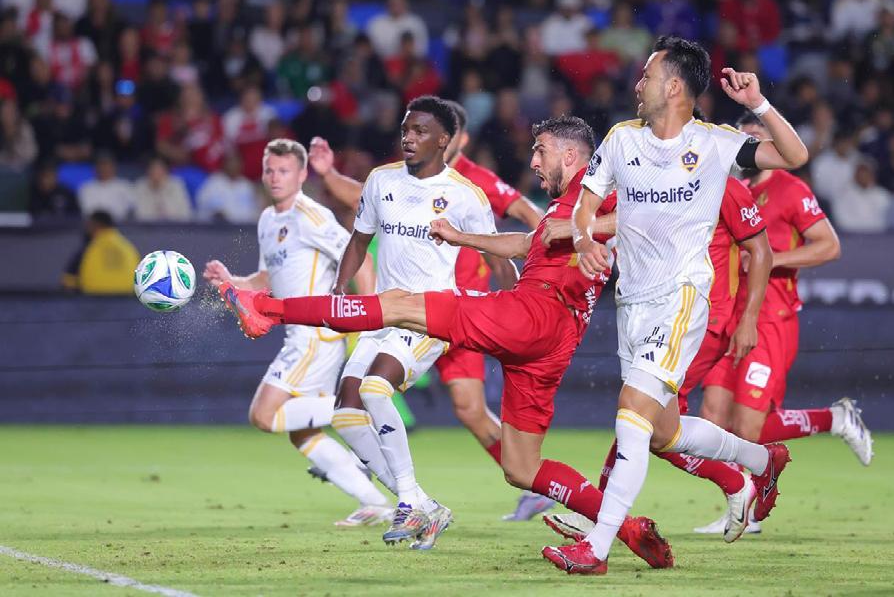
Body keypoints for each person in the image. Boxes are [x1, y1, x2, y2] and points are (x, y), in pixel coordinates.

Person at [217, 114, 677, 571]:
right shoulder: (565, 205)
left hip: (532, 314)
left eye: (541, 151)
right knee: (520, 467)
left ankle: (268, 308)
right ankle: (628, 530)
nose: (533, 161)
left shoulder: (593, 194)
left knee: (398, 304)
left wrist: (587, 231)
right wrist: (462, 237)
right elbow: (525, 244)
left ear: (570, 154)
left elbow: (654, 214)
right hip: (552, 344)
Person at [551, 35, 811, 574]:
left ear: (673, 86)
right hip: (632, 302)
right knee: (665, 432)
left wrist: (758, 103)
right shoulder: (622, 139)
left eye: (646, 75)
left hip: (682, 298)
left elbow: (796, 156)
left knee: (631, 414)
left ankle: (596, 548)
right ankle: (760, 461)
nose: (637, 85)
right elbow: (585, 204)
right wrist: (583, 240)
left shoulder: (715, 143)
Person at [307, 102, 549, 521]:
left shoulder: (471, 187)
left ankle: (525, 484)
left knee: (417, 398)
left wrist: (524, 303)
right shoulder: (384, 179)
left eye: (420, 131)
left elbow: (509, 239)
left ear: (449, 139)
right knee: (347, 413)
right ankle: (417, 499)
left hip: (446, 314)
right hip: (386, 314)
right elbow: (361, 225)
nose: (409, 138)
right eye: (406, 129)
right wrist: (328, 177)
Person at [687, 111, 871, 533]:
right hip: (726, 314)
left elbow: (829, 246)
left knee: (748, 426)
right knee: (712, 416)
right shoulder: (723, 188)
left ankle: (834, 419)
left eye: (757, 138)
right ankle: (740, 505)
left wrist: (769, 261)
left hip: (771, 317)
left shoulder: (789, 189)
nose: (750, 146)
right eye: (744, 139)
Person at [202, 138, 391, 528]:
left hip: (315, 336)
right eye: (270, 170)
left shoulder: (312, 216)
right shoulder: (268, 220)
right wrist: (231, 281)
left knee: (263, 415)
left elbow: (360, 257)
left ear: (302, 174)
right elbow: (267, 279)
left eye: (284, 170)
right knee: (302, 434)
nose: (275, 177)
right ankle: (374, 502)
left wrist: (369, 315)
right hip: (301, 337)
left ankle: (351, 413)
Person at [62, 210, 140, 294]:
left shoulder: (88, 248)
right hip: (127, 298)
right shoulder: (128, 248)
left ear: (96, 225)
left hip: (94, 298)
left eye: (88, 225)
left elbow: (68, 282)